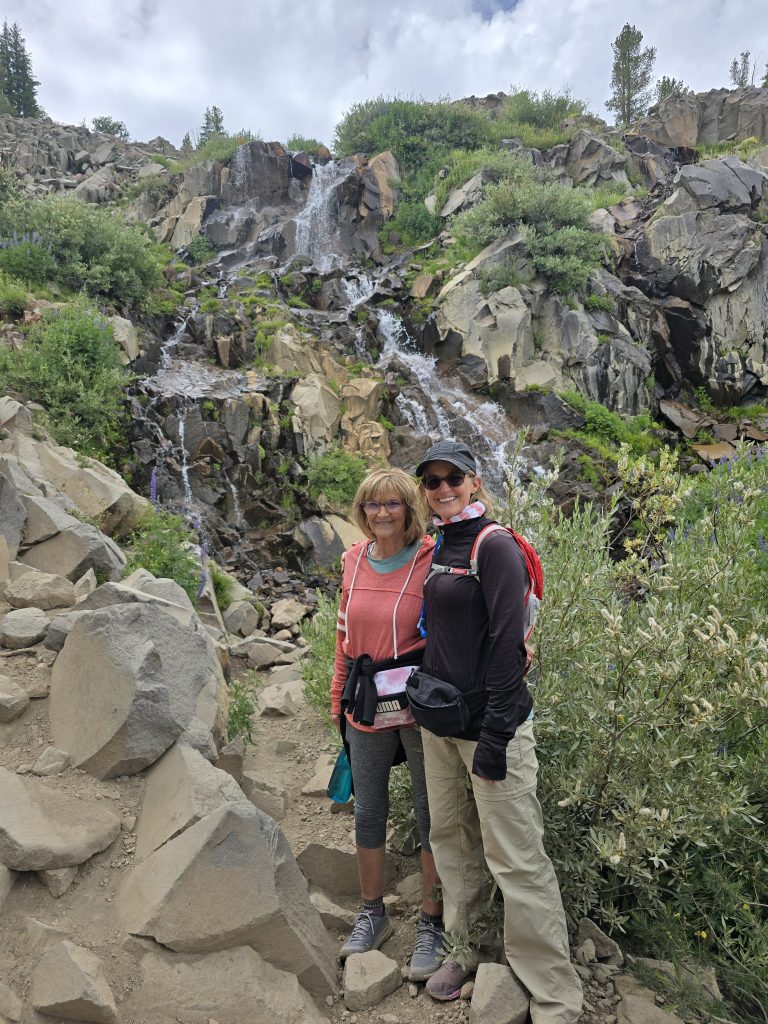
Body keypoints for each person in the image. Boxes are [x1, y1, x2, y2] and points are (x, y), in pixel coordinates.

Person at [414, 440, 583, 1022]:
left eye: (451, 478)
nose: (442, 489)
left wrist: (494, 739)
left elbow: (510, 650)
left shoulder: (496, 547)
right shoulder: (440, 544)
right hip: (441, 724)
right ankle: (467, 949)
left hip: (494, 728)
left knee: (516, 858)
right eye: (431, 482)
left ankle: (555, 993)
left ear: (474, 481)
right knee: (453, 844)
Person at [330, 467, 445, 981]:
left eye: (392, 504)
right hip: (365, 702)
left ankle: (432, 921)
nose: (381, 513)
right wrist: (338, 704)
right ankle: (371, 912)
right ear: (361, 510)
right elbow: (343, 640)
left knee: (431, 815)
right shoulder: (352, 560)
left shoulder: (429, 558)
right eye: (372, 504)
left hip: (418, 708)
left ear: (408, 509)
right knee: (369, 810)